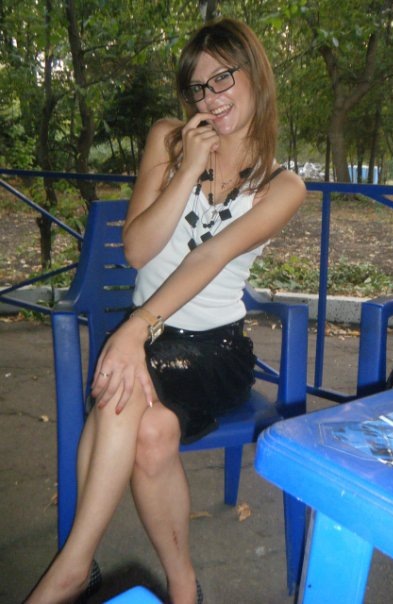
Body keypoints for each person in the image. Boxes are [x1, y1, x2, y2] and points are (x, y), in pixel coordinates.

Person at [26, 17, 306, 604]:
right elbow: (136, 249)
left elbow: (212, 256)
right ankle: (183, 587)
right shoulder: (167, 138)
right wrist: (186, 171)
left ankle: (74, 566)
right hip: (151, 340)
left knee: (122, 385)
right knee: (151, 431)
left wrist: (134, 329)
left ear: (255, 75)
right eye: (197, 87)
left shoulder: (283, 187)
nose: (210, 97)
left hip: (216, 351)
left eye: (223, 78)